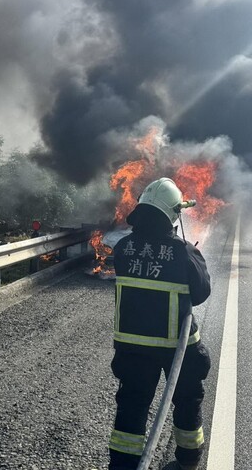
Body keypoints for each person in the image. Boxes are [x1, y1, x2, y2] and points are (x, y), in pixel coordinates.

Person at [109, 177, 211, 470]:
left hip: (132, 348)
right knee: (187, 399)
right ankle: (187, 463)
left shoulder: (124, 248)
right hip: (178, 347)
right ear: (173, 214)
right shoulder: (182, 251)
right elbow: (201, 292)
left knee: (131, 406)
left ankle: (122, 466)